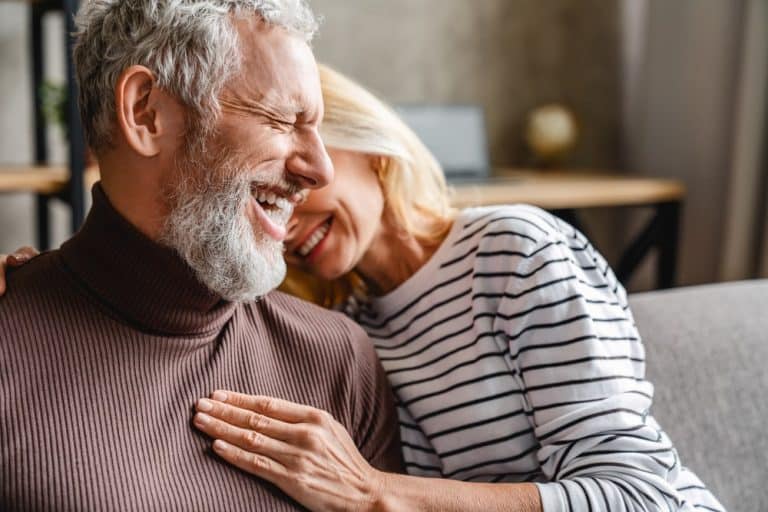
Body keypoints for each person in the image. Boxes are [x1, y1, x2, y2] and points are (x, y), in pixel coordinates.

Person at [1, 66, 726, 511]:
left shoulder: (513, 250)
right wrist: (52, 283)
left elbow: (645, 496)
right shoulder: (342, 325)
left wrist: (380, 496)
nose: (287, 212)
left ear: (360, 145)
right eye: (267, 197)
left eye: (303, 156)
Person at [0, 2, 402, 511]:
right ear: (146, 112)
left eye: (316, 128)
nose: (320, 169)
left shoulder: (337, 359)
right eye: (283, 120)